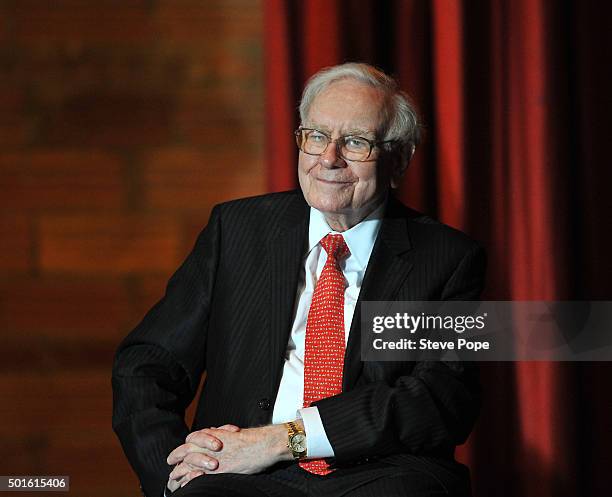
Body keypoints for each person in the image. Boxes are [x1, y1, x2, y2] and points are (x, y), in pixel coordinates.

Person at [112, 62, 486, 497]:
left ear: (398, 159)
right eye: (317, 136)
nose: (329, 158)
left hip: (380, 472)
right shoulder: (236, 230)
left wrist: (282, 440)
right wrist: (172, 471)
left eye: (357, 142)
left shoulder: (444, 258)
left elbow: (438, 399)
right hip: (237, 473)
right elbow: (148, 363)